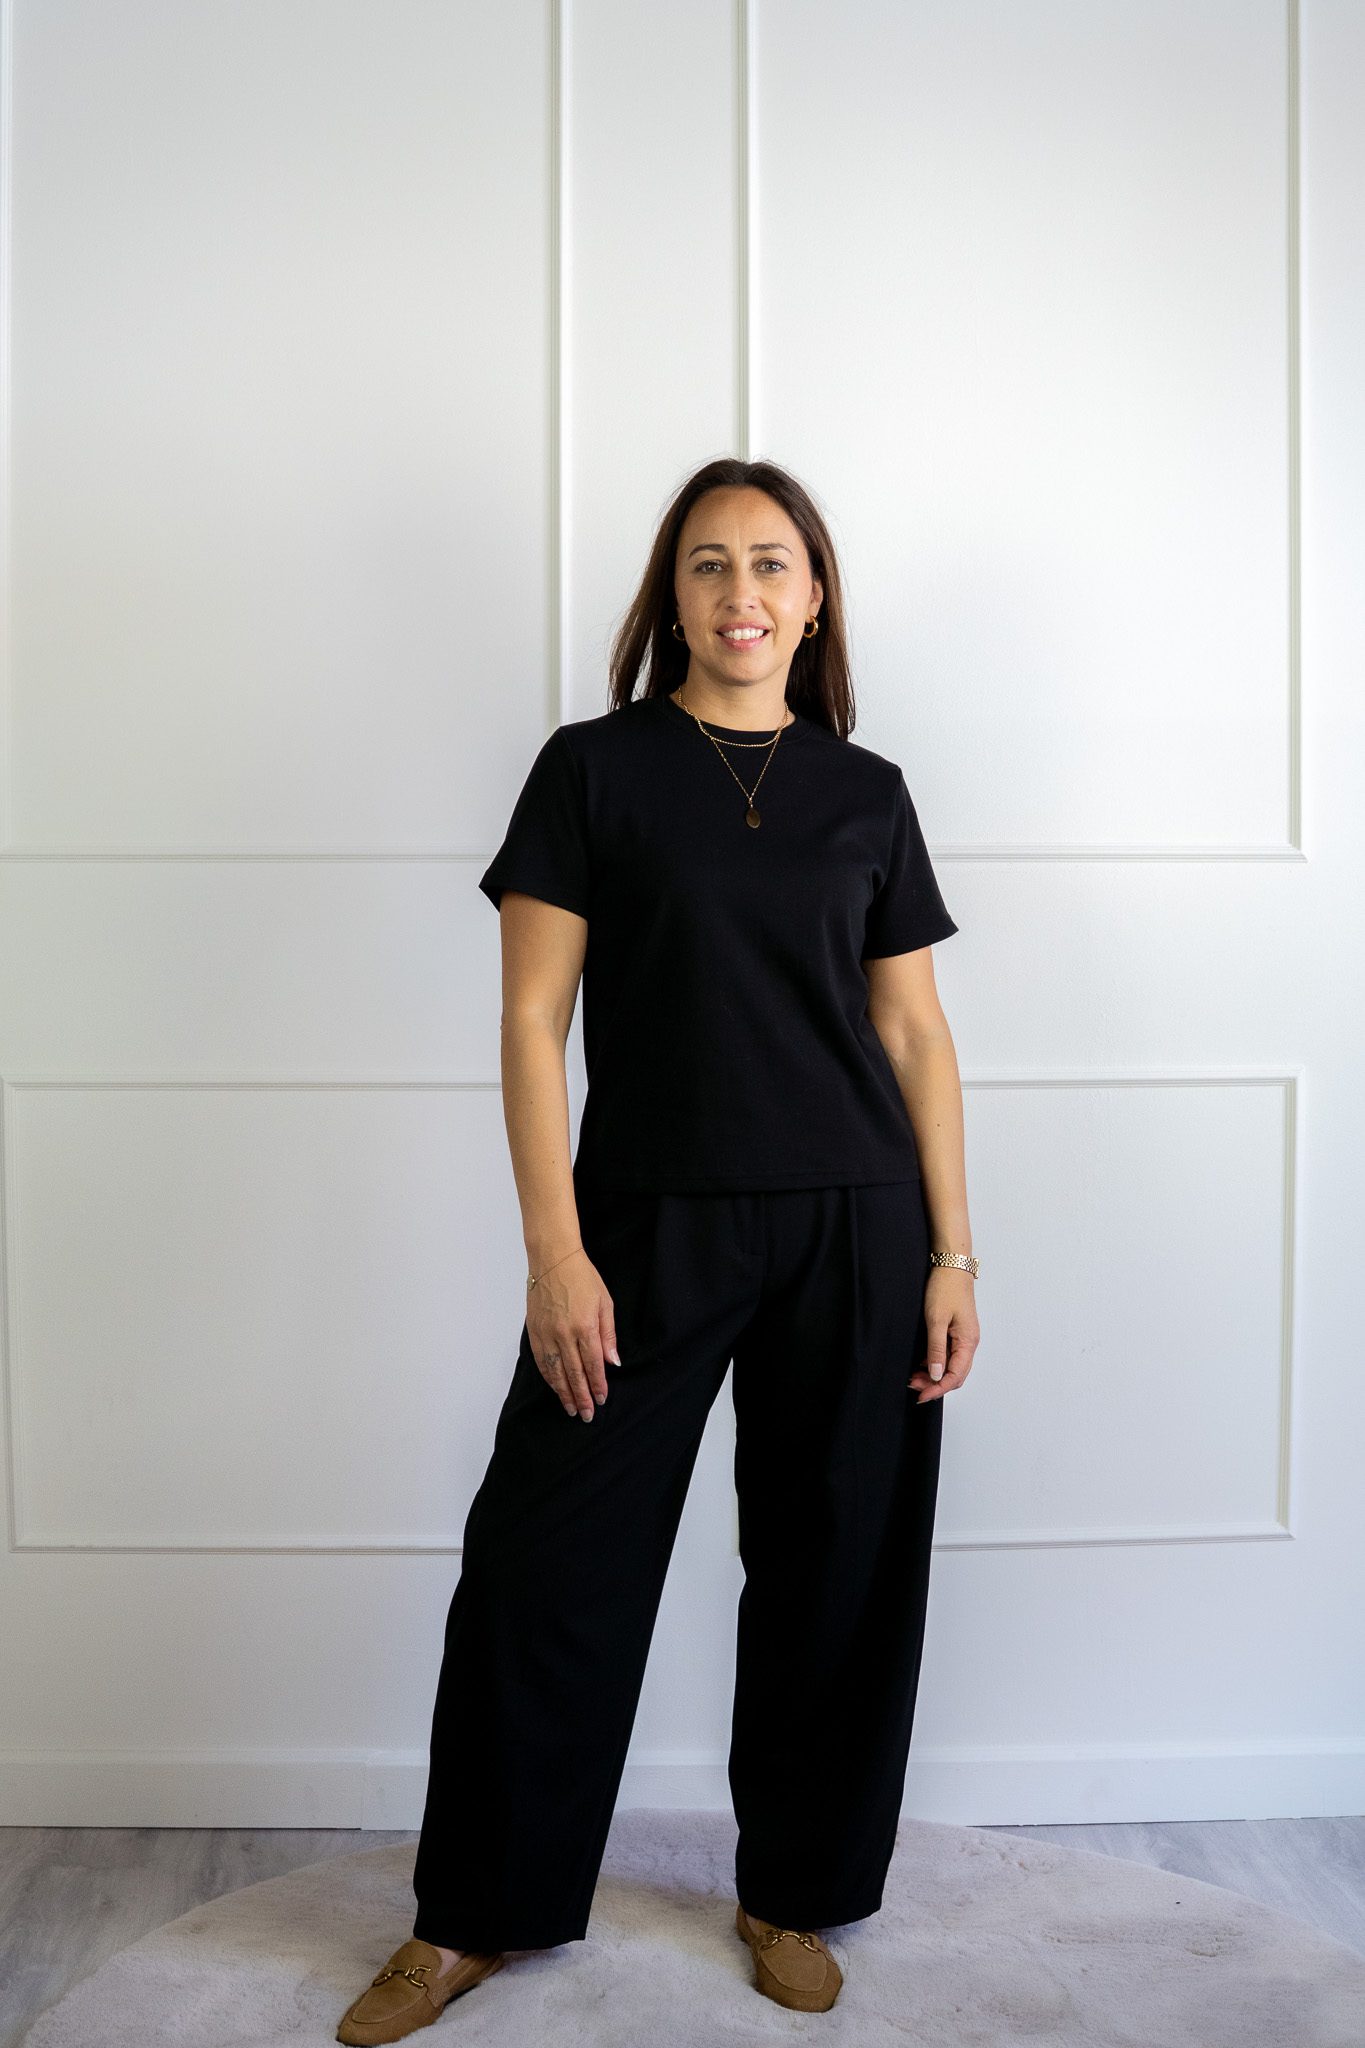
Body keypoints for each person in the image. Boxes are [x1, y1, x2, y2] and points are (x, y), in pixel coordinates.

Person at [337, 456, 979, 2042]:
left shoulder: (866, 792)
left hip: (855, 1223)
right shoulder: (592, 771)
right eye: (707, 564)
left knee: (836, 1569)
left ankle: (793, 1892)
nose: (738, 592)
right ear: (670, 596)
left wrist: (953, 1255)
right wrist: (553, 1254)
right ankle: (471, 1917)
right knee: (544, 1567)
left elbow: (914, 1032)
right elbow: (529, 1019)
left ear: (813, 600)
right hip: (642, 1223)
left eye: (769, 564)